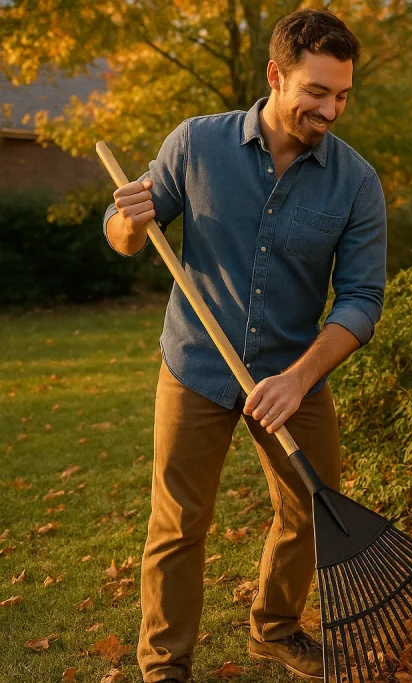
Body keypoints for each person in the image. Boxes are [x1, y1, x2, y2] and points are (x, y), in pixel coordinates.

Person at [102, 9, 385, 682]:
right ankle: (165, 664)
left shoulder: (355, 182)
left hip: (294, 369)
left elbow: (360, 301)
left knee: (310, 510)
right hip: (196, 365)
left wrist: (299, 377)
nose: (331, 108)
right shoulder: (196, 146)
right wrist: (131, 223)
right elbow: (121, 228)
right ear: (275, 76)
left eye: (342, 94)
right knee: (179, 523)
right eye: (317, 91)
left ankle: (275, 627)